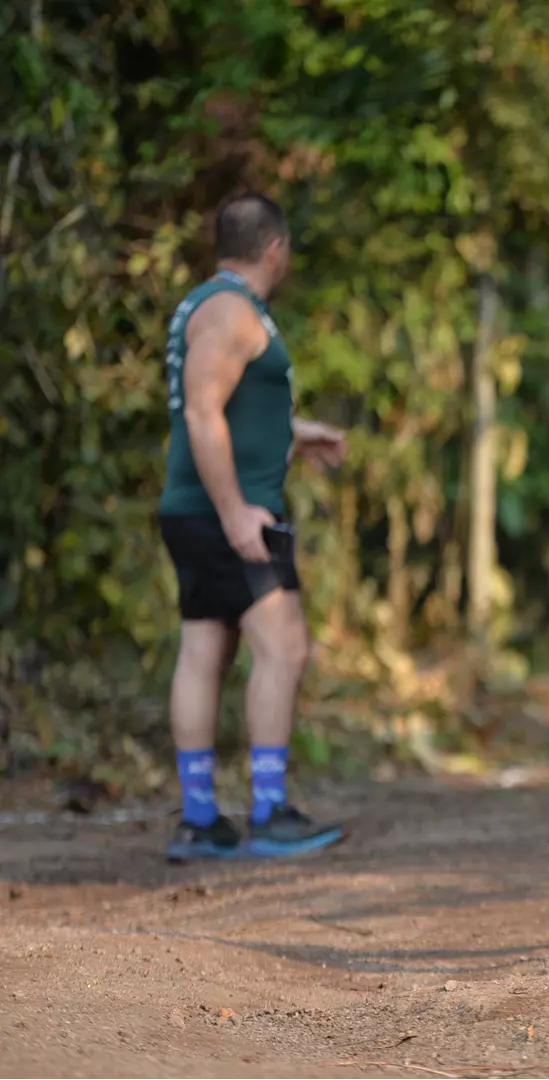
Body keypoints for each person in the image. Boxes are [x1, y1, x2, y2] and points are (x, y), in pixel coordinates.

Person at [158, 193, 349, 863]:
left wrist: (294, 434)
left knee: (205, 649)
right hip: (227, 513)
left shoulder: (212, 305)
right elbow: (202, 412)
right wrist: (236, 511)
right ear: (275, 249)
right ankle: (267, 811)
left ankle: (201, 820)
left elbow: (232, 410)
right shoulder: (232, 312)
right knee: (284, 647)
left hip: (196, 509)